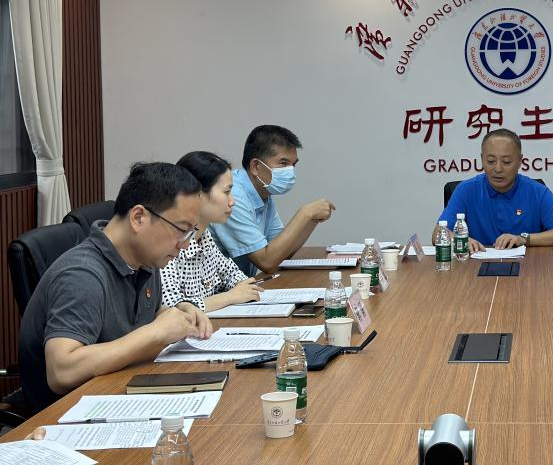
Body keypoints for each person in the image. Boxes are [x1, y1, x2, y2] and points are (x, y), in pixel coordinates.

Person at [19, 162, 209, 413]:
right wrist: (155, 333)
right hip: (71, 416)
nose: (184, 244)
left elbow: (139, 315)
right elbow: (62, 371)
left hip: (121, 391)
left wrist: (178, 312)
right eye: (182, 230)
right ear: (138, 218)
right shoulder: (82, 275)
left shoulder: (145, 260)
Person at [207, 125, 335, 276]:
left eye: (293, 165)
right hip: (217, 289)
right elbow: (267, 262)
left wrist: (313, 219)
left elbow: (282, 253)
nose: (290, 171)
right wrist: (305, 213)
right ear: (256, 166)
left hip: (241, 286)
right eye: (283, 163)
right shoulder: (232, 197)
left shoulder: (263, 193)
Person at [435, 128, 553, 251]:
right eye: (491, 161)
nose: (498, 169)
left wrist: (523, 239)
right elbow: (438, 234)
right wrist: (460, 240)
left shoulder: (537, 192)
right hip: (474, 268)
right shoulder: (466, 190)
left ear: (520, 161)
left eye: (506, 162)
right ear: (482, 159)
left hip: (528, 268)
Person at [161, 151, 267, 312]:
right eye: (226, 192)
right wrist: (229, 297)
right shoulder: (168, 241)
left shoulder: (204, 235)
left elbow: (232, 275)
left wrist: (241, 289)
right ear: (197, 194)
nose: (232, 202)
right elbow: (172, 307)